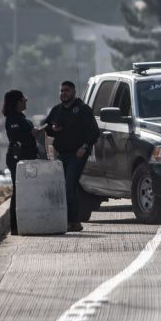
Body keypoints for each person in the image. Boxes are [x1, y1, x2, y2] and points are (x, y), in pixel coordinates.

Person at [43, 80, 100, 232]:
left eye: (67, 90)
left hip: (77, 154)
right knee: (65, 188)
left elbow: (94, 132)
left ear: (74, 92)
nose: (64, 93)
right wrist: (52, 128)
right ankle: (74, 221)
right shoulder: (57, 110)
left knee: (69, 186)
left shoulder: (83, 110)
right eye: (61, 91)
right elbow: (47, 127)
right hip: (62, 154)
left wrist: (85, 146)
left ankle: (71, 220)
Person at [2, 89, 42, 236]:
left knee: (28, 191)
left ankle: (27, 223)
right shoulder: (12, 118)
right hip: (17, 159)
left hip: (27, 157)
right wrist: (30, 134)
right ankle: (15, 226)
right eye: (24, 99)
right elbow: (15, 137)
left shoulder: (21, 117)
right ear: (17, 102)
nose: (26, 101)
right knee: (18, 192)